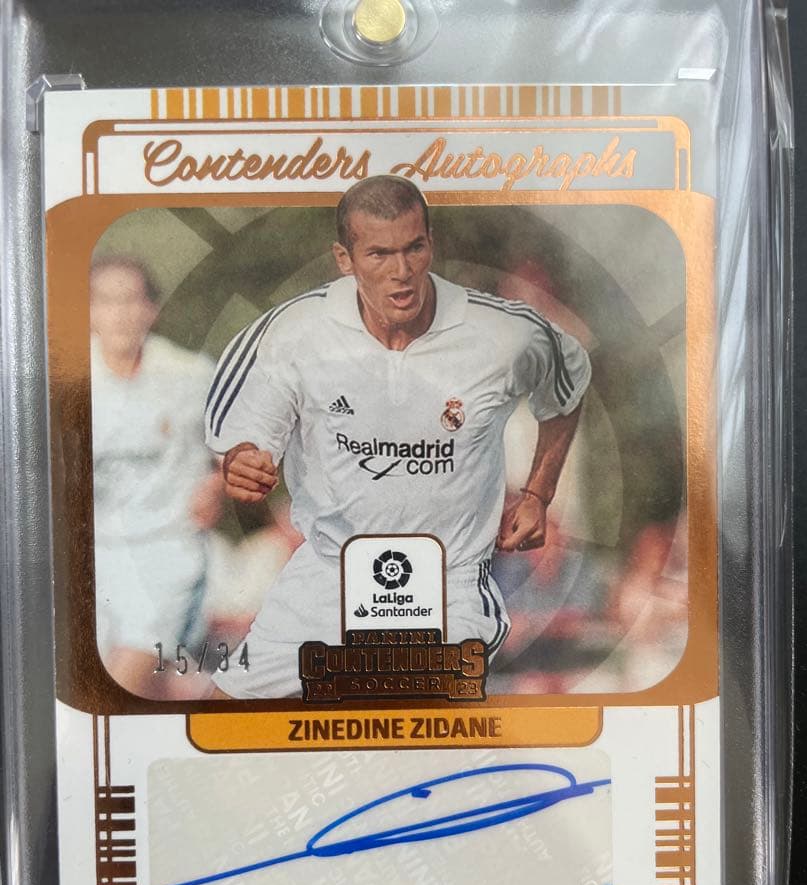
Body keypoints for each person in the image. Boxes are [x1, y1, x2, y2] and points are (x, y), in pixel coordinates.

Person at [204, 175, 591, 699]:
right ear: (345, 259)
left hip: (448, 581)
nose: (401, 271)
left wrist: (538, 494)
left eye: (413, 248)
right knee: (221, 713)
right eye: (379, 254)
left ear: (431, 244)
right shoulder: (295, 333)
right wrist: (242, 462)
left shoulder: (498, 332)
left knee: (414, 716)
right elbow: (244, 439)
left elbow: (568, 380)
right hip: (330, 573)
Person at [91, 255, 224, 697]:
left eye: (132, 300)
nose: (121, 314)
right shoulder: (68, 379)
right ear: (89, 311)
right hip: (96, 555)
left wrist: (217, 485)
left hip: (170, 549)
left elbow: (240, 449)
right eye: (107, 301)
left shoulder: (190, 373)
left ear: (152, 309)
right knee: (142, 689)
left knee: (120, 685)